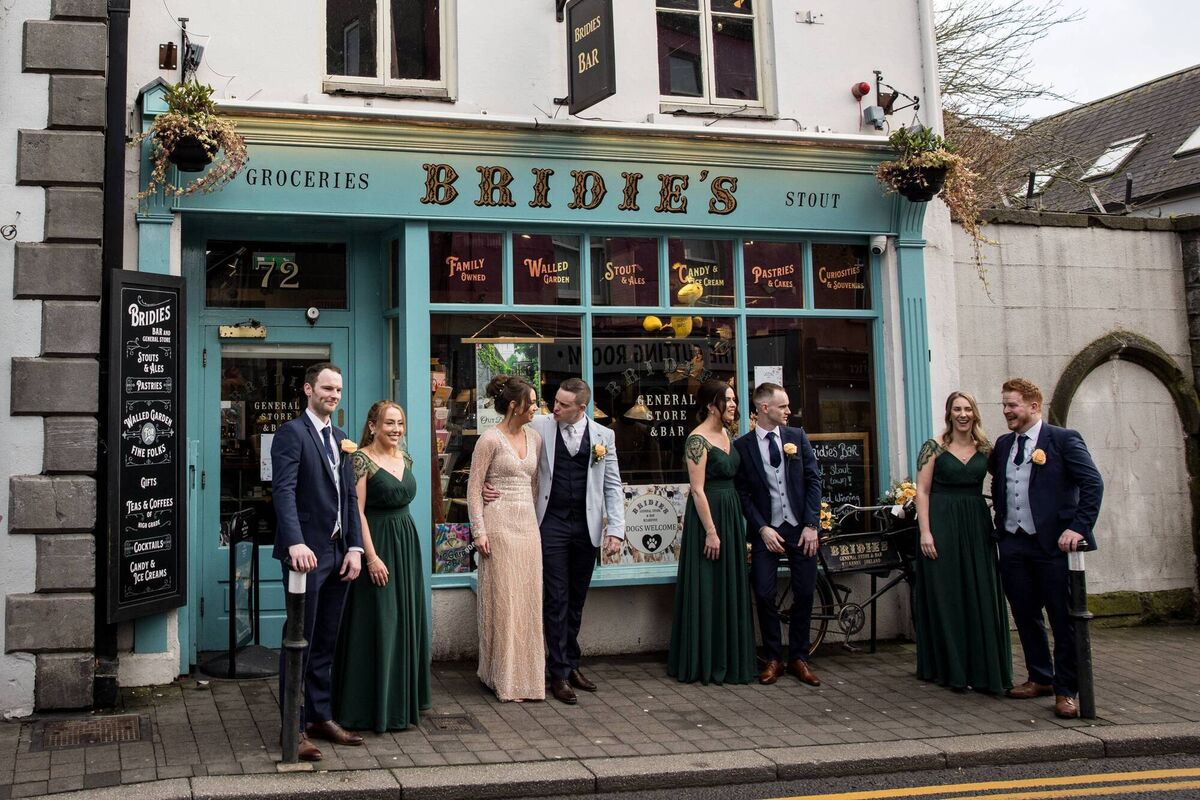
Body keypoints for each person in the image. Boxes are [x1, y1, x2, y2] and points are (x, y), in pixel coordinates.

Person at [989, 378, 1104, 719]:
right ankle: (1041, 676)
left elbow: (1092, 482)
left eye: (1013, 405)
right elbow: (999, 483)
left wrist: (1078, 527)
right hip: (1013, 543)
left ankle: (1067, 690)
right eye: (1005, 405)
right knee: (1025, 614)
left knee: (1062, 618)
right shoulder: (1003, 443)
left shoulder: (1063, 440)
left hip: (1053, 545)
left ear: (1034, 406)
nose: (1007, 411)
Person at [271, 362, 364, 762]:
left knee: (326, 641)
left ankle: (320, 716)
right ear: (308, 389)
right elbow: (284, 491)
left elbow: (350, 498)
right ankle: (292, 728)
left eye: (339, 390)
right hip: (305, 556)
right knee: (299, 643)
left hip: (339, 553)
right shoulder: (291, 434)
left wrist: (356, 548)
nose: (334, 395)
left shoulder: (341, 438)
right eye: (327, 388)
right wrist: (294, 542)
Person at [333, 401, 431, 731]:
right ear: (373, 426)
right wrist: (370, 557)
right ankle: (367, 706)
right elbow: (355, 511)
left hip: (405, 545)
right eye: (389, 423)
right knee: (378, 621)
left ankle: (402, 701)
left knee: (404, 619)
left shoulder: (405, 457)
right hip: (377, 544)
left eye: (400, 423)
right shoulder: (360, 460)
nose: (396, 429)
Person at [913, 391, 1012, 695]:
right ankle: (949, 666)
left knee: (978, 591)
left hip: (977, 526)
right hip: (942, 524)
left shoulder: (987, 448)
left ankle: (981, 666)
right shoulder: (934, 447)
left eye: (968, 408)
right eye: (957, 409)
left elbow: (1005, 481)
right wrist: (925, 532)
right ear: (949, 413)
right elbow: (922, 490)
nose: (963, 414)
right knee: (949, 594)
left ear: (975, 413)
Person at [734, 383, 824, 687]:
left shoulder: (797, 437)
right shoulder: (743, 446)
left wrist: (812, 524)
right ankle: (773, 657)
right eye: (783, 406)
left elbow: (814, 481)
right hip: (766, 530)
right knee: (763, 592)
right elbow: (743, 494)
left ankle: (799, 657)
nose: (788, 411)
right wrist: (761, 527)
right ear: (764, 408)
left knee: (805, 592)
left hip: (801, 529)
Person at [667, 380, 756, 685]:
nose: (733, 404)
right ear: (710, 405)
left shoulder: (727, 435)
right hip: (709, 518)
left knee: (729, 583)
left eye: (733, 399)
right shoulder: (697, 439)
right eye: (727, 400)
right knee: (708, 585)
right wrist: (712, 532)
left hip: (730, 513)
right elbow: (697, 489)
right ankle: (705, 659)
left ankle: (729, 657)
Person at [467, 375, 545, 702]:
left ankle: (528, 677)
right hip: (498, 525)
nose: (536, 409)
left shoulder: (536, 438)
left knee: (528, 601)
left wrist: (534, 521)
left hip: (527, 526)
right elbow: (474, 487)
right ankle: (501, 676)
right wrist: (479, 531)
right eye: (531, 403)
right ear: (514, 405)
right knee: (504, 601)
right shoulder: (489, 440)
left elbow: (537, 484)